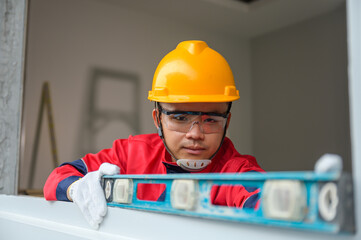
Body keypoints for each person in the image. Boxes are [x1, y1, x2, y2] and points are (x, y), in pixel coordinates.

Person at [44, 40, 264, 229]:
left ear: (227, 122)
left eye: (211, 120)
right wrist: (75, 188)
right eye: (180, 118)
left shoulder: (237, 173)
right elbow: (56, 179)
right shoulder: (131, 153)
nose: (196, 134)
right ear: (158, 119)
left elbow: (263, 200)